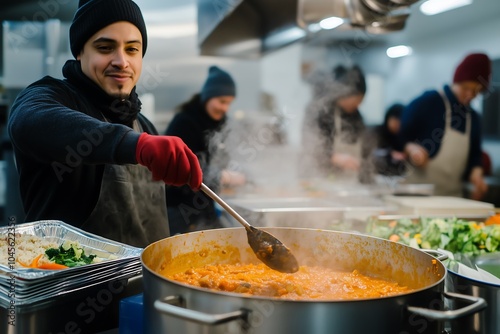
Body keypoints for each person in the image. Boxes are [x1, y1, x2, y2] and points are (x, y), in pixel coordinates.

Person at [7, 0, 202, 247]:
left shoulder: (144, 126)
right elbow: (29, 122)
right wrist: (135, 145)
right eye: (105, 47)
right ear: (80, 52)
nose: (121, 61)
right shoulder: (51, 97)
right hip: (71, 284)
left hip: (150, 283)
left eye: (132, 49)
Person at [164, 66, 246, 235]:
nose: (225, 108)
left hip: (205, 206)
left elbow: (226, 156)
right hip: (180, 209)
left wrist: (244, 175)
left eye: (229, 103)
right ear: (208, 96)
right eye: (222, 101)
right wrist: (223, 176)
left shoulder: (220, 123)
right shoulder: (184, 123)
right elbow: (180, 167)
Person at [399, 53, 491, 199]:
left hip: (452, 199)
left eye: (476, 92)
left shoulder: (474, 118)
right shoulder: (428, 102)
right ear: (456, 80)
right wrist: (412, 149)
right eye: (466, 87)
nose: (469, 95)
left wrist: (477, 176)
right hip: (417, 196)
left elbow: (475, 156)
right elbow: (400, 137)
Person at [299, 65, 367, 182]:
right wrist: (334, 157)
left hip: (346, 181)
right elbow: (309, 145)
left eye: (361, 100)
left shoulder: (357, 116)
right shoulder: (319, 110)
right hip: (316, 177)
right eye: (356, 99)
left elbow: (364, 147)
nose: (358, 104)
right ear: (344, 93)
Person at [362, 103, 407, 179]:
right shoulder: (376, 132)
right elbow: (367, 153)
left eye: (399, 122)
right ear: (387, 118)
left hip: (395, 177)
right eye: (394, 120)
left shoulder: (402, 136)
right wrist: (390, 153)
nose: (396, 125)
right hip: (375, 174)